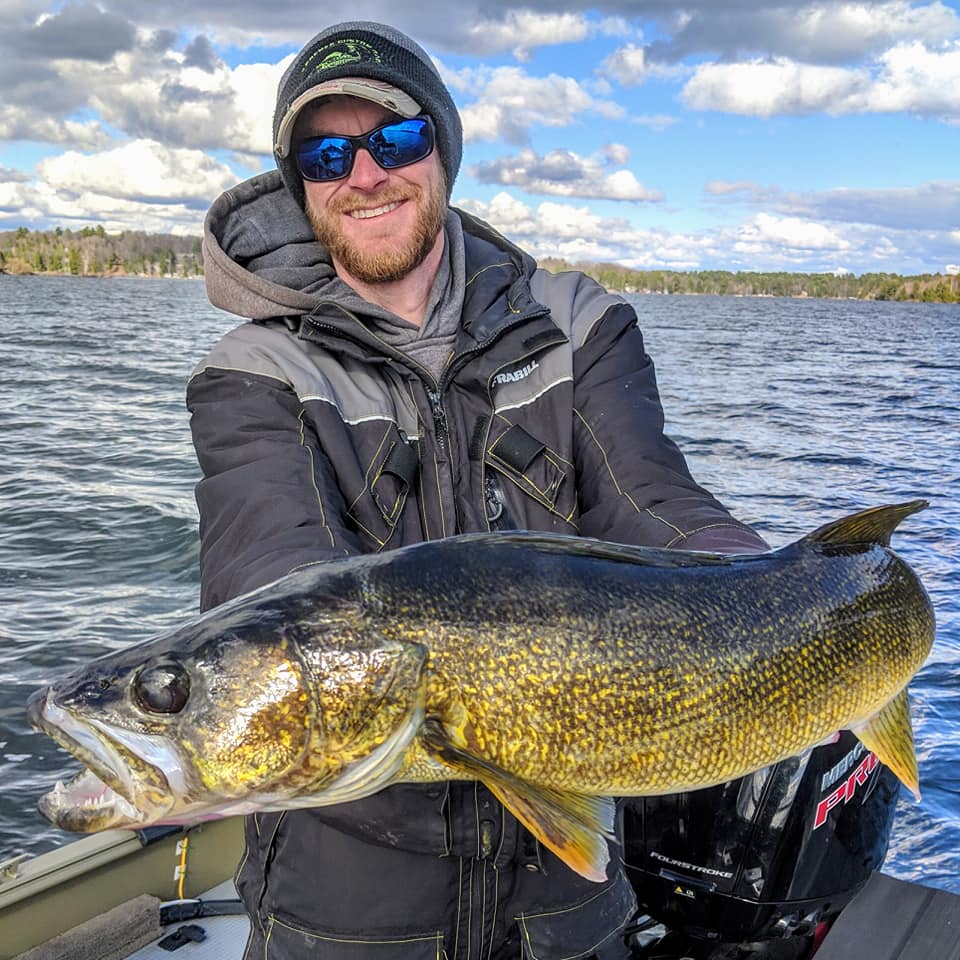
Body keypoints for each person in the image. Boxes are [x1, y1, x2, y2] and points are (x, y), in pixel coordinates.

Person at [187, 20, 768, 960]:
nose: (365, 175)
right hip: (342, 916)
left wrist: (759, 588)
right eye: (327, 154)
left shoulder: (580, 321)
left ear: (443, 150)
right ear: (301, 185)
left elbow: (652, 505)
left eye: (396, 139)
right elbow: (273, 560)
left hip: (564, 907)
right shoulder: (252, 369)